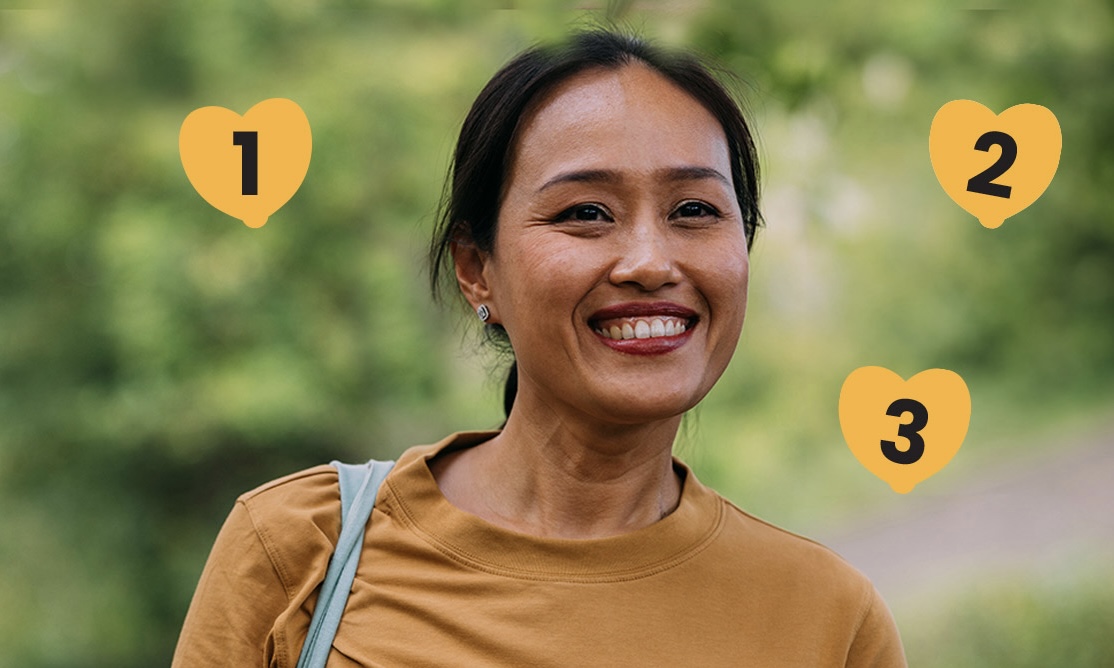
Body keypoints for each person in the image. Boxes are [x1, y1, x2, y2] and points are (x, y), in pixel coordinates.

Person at [173, 29, 907, 667]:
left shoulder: (826, 618)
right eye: (586, 212)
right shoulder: (302, 552)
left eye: (694, 210)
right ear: (476, 269)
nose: (651, 261)